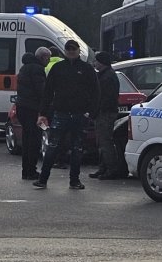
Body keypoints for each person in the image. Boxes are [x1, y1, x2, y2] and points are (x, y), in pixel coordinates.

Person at [34, 39, 99, 190]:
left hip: (79, 114)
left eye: (73, 49)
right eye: (68, 49)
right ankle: (43, 179)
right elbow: (48, 92)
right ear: (65, 51)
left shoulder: (87, 69)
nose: (71, 52)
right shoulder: (57, 68)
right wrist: (42, 113)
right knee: (53, 146)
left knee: (76, 148)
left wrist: (91, 112)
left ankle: (74, 180)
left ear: (78, 51)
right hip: (62, 112)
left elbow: (96, 92)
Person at [16, 47, 49, 178]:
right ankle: (31, 170)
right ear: (42, 57)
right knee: (34, 141)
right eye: (48, 57)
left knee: (27, 140)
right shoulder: (37, 69)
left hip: (22, 108)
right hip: (33, 110)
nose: (49, 60)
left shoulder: (24, 68)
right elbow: (41, 90)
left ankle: (26, 170)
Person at [89, 51, 122, 180]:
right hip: (103, 112)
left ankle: (111, 169)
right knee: (101, 142)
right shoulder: (105, 75)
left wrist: (96, 110)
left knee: (105, 141)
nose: (95, 63)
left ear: (102, 62)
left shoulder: (107, 77)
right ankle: (103, 168)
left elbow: (105, 98)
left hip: (105, 113)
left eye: (96, 61)